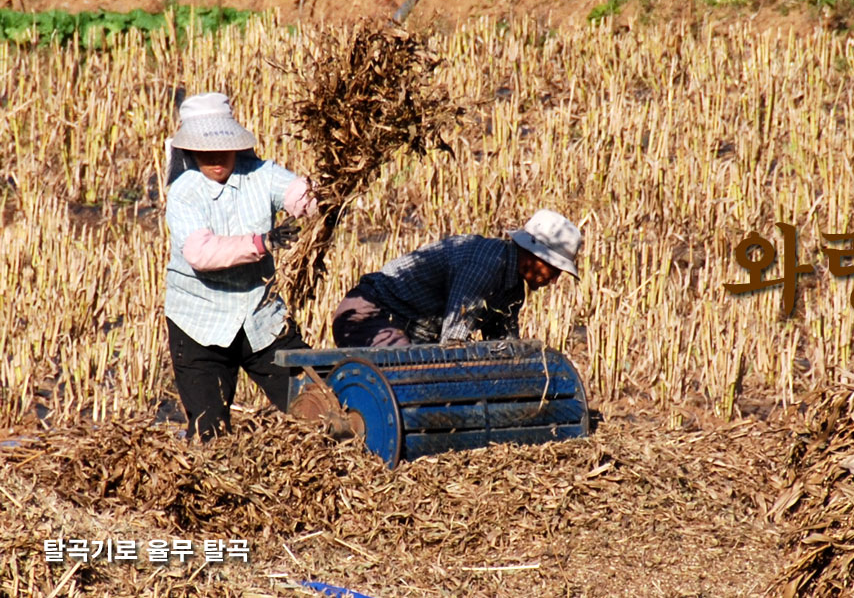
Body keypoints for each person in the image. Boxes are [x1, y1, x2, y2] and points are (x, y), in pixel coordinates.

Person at [164, 91, 321, 441]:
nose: (217, 158)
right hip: (199, 327)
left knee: (322, 410)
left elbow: (298, 194)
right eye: (206, 151)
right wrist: (262, 242)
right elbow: (201, 254)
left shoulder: (261, 174)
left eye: (223, 148)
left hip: (261, 319)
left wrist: (321, 196)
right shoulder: (184, 191)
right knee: (211, 436)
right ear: (191, 150)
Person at [333, 209, 582, 347]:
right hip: (368, 315)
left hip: (414, 331)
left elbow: (503, 346)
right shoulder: (485, 266)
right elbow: (453, 342)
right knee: (408, 375)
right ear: (533, 255)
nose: (554, 280)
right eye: (555, 269)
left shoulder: (513, 289)